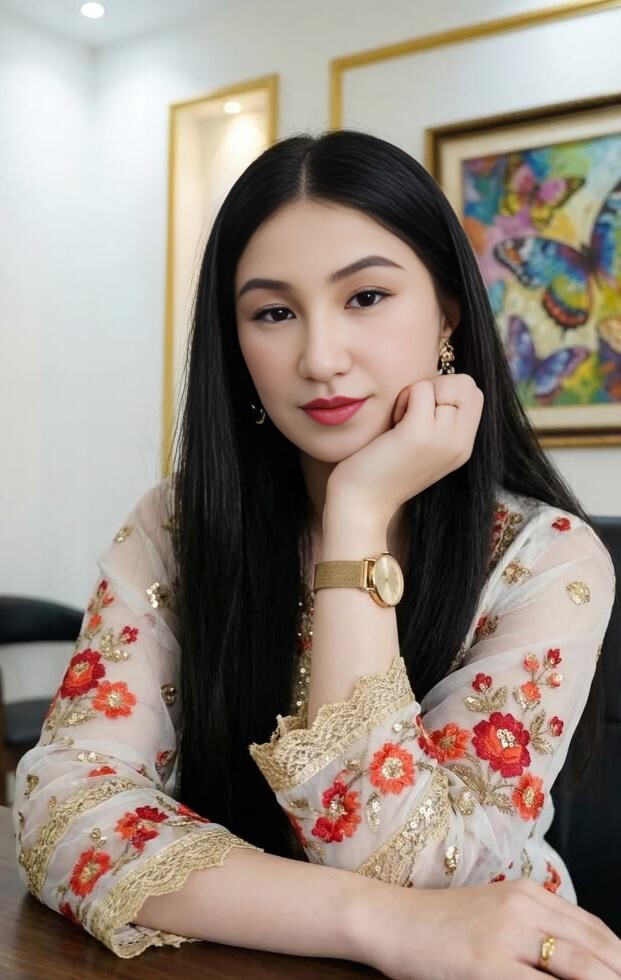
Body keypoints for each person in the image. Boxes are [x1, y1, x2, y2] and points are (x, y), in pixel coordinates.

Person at [13, 130, 620, 978]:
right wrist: (374, 922)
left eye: (366, 297)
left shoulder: (546, 558)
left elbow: (413, 865)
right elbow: (60, 809)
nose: (320, 359)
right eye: (273, 312)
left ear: (446, 315)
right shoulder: (177, 526)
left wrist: (357, 515)